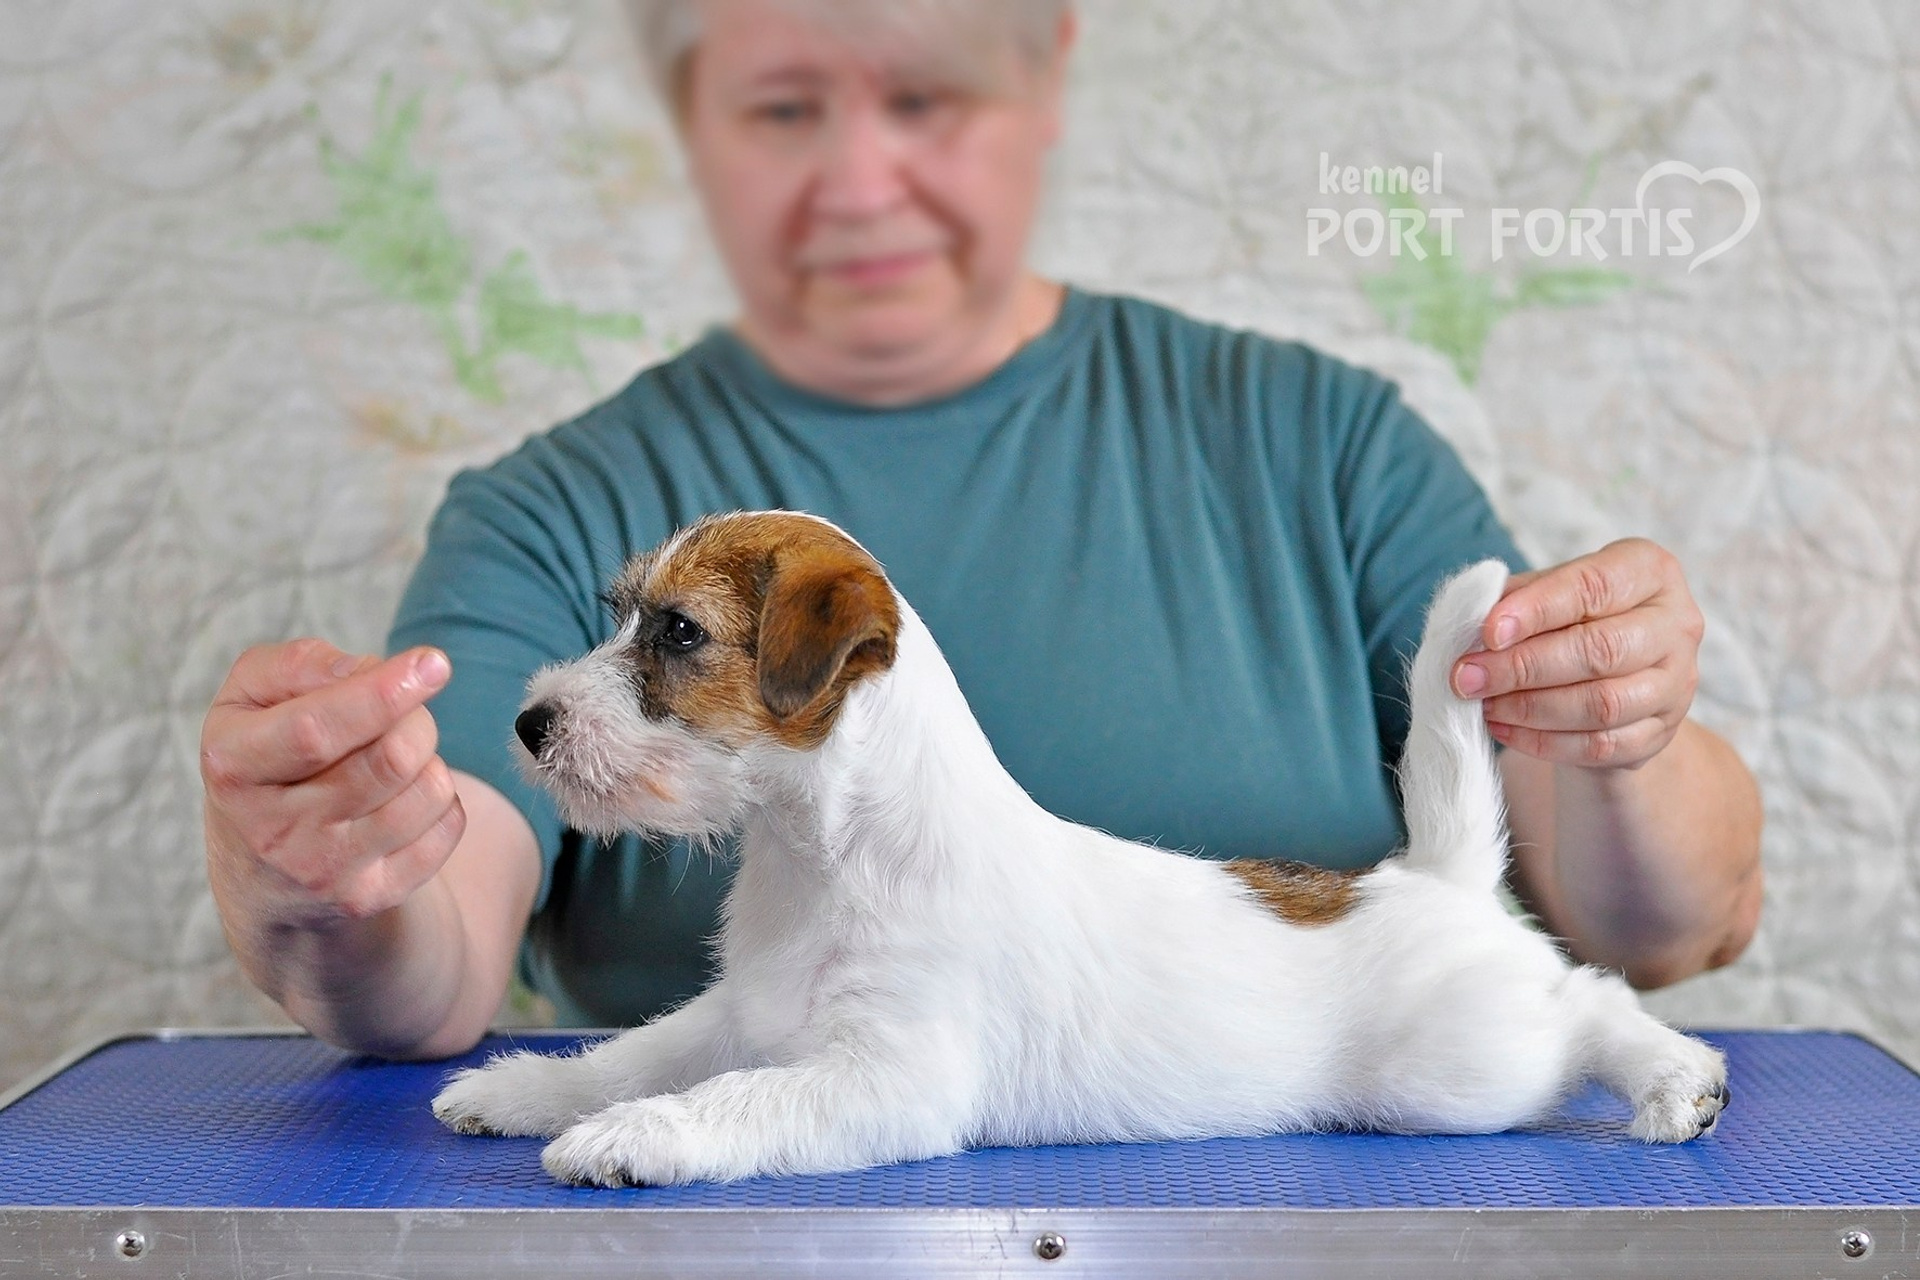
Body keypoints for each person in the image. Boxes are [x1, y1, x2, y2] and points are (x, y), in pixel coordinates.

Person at [200, 0, 1763, 1061]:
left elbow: (1669, 926)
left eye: (927, 97)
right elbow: (434, 944)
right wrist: (328, 882)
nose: (859, 179)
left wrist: (1616, 725)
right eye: (785, 105)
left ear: (1047, 76)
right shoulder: (555, 510)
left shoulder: (1329, 445)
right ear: (692, 117)